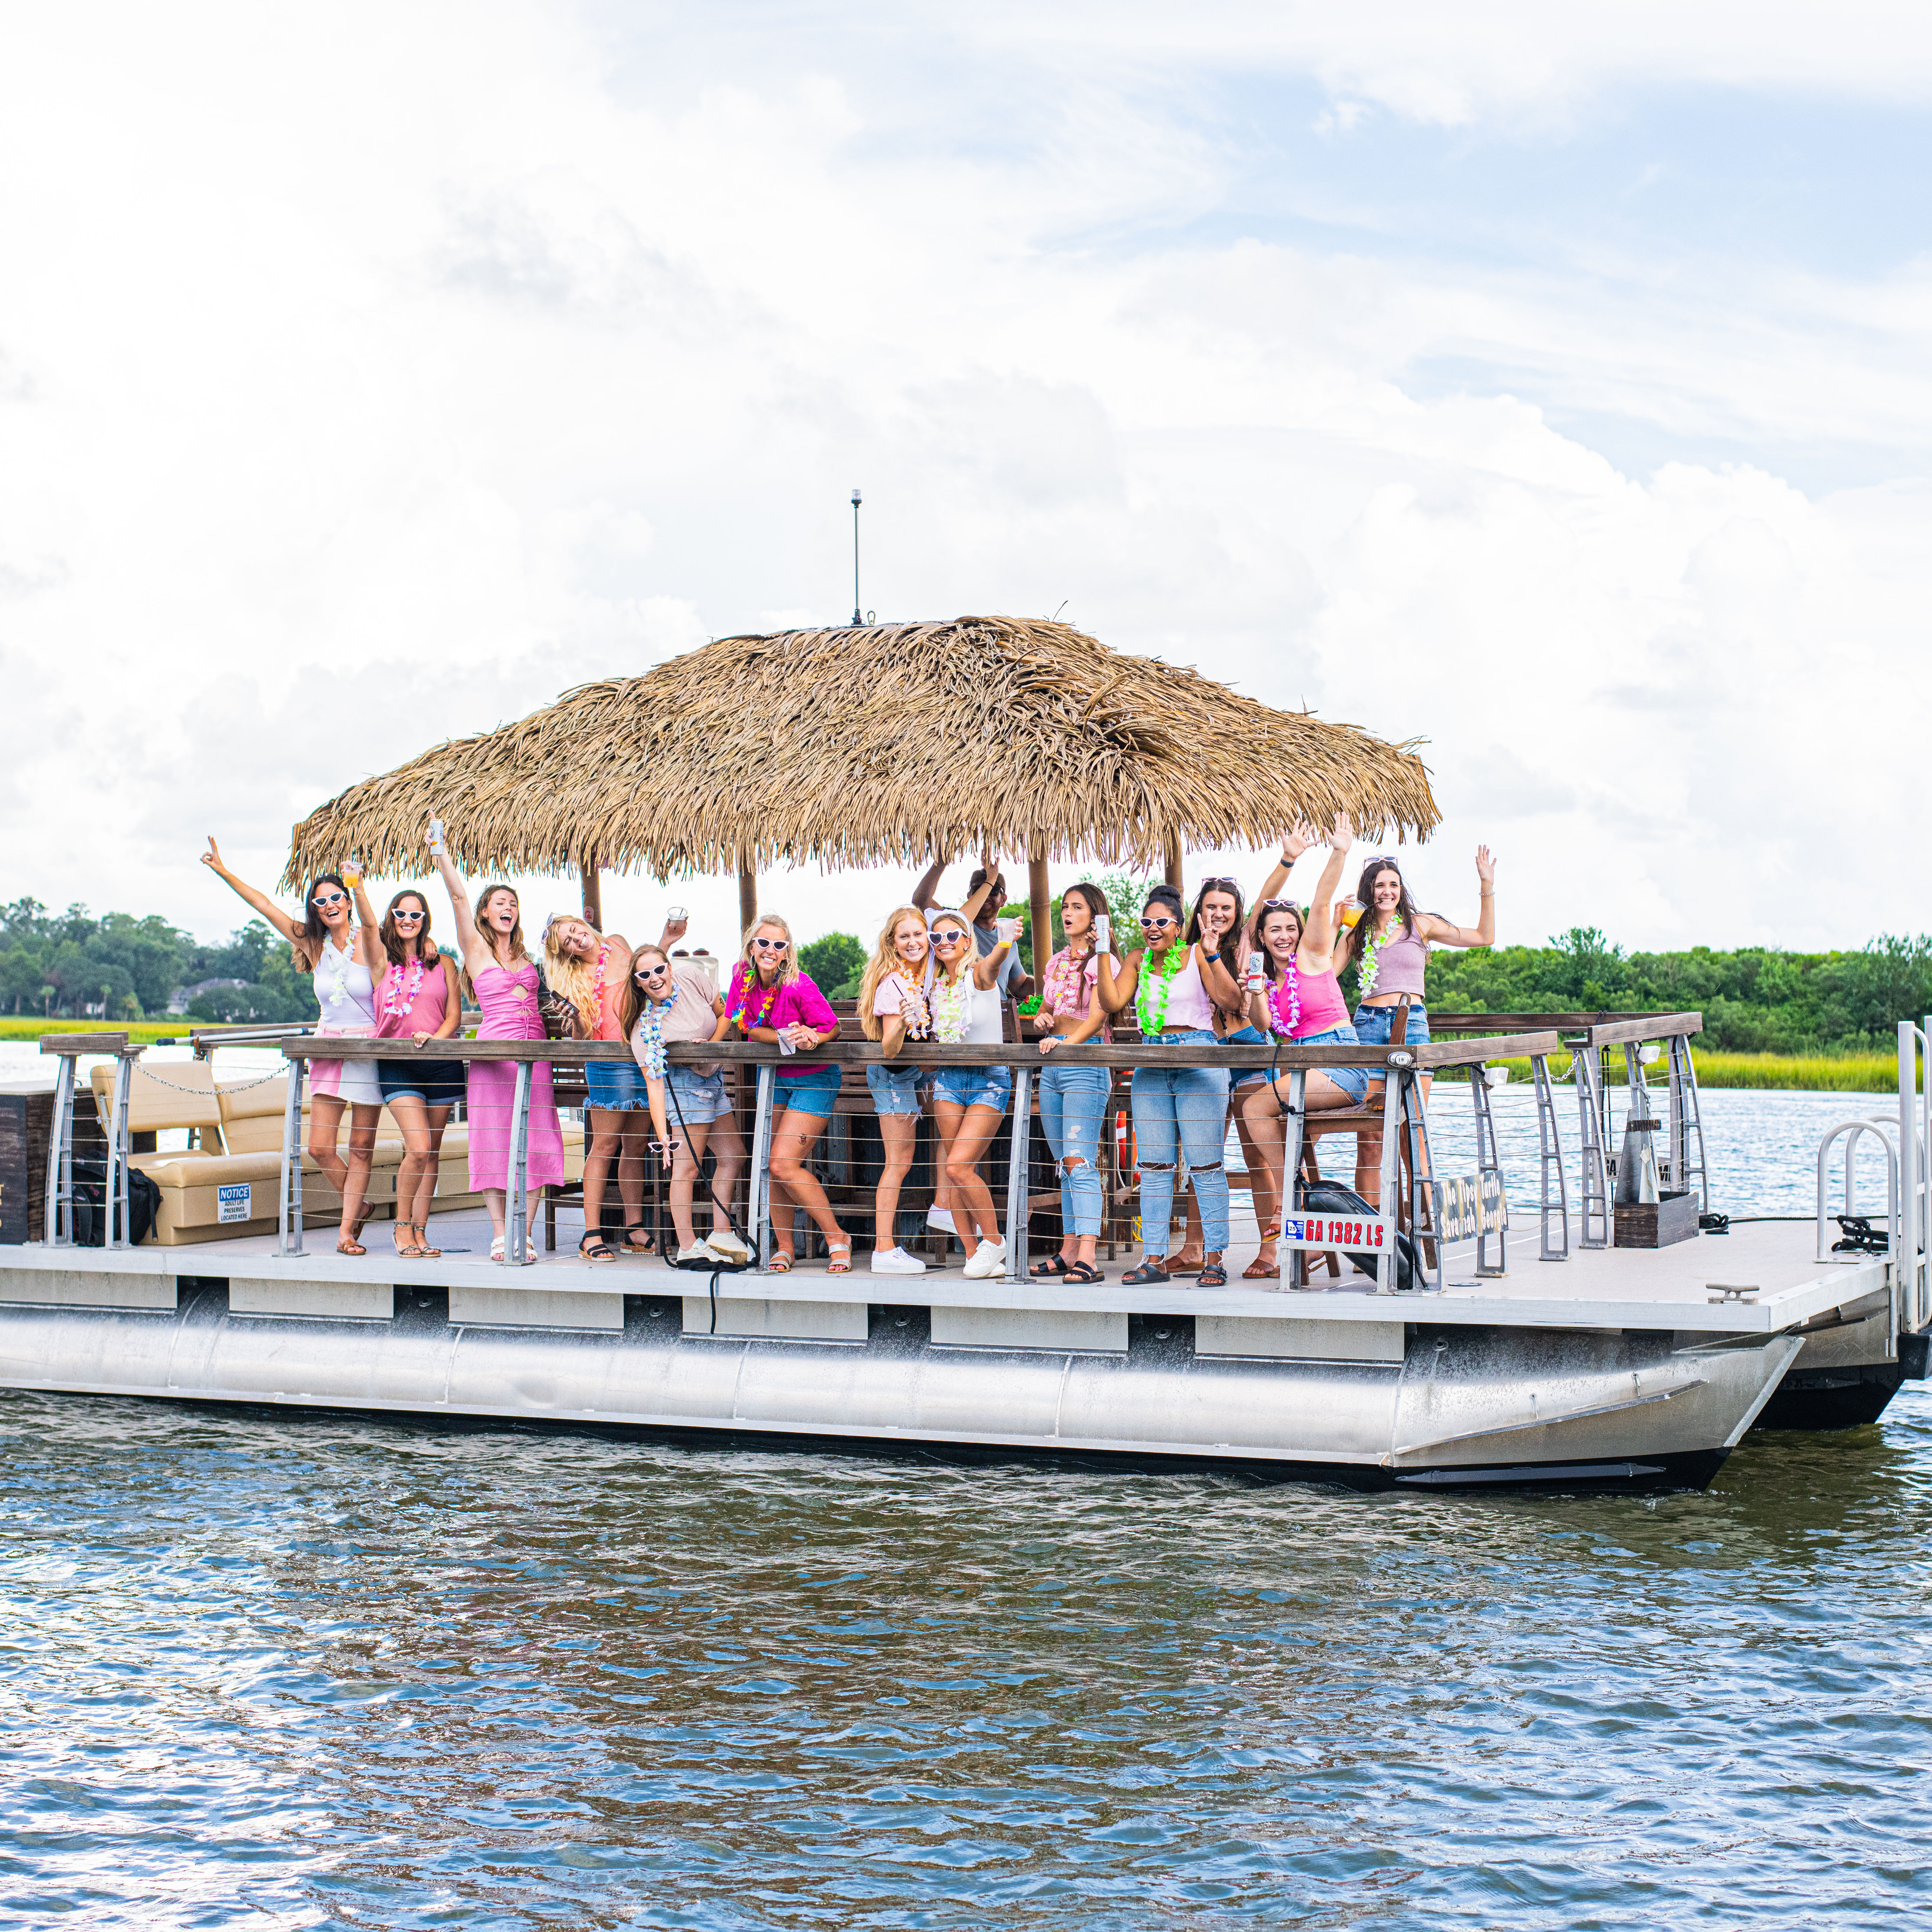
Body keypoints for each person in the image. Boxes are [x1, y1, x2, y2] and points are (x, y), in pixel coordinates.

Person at [201, 836, 384, 1255]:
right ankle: (360, 1205)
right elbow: (265, 906)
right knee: (320, 1146)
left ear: (348, 901)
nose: (330, 905)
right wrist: (224, 872)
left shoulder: (370, 941)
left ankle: (345, 1231)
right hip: (327, 1048)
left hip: (367, 1050)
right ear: (315, 910)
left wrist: (357, 884)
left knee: (360, 1147)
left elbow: (372, 925)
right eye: (321, 902)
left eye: (336, 897)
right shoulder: (313, 944)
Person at [1238, 814, 1371, 1273]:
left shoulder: (1314, 956)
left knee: (1256, 1108)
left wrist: (1338, 852)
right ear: (1263, 937)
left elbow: (1320, 902)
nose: (1283, 935)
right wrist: (1255, 990)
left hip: (1340, 1063)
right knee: (1256, 1108)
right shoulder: (1267, 984)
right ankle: (1300, 1217)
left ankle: (1288, 1202)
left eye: (1288, 928)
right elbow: (1261, 1025)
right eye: (1274, 930)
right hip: (1301, 1071)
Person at [1334, 842, 1499, 1201]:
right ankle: (1371, 1235)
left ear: (1401, 889)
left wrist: (1486, 885)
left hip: (1412, 1026)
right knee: (1371, 1136)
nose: (1387, 891)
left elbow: (1484, 938)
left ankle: (1423, 1223)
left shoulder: (1420, 924)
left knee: (1414, 1131)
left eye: (1393, 884)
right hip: (1368, 1026)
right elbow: (1327, 974)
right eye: (1379, 885)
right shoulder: (1355, 932)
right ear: (1368, 890)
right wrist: (1336, 926)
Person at [1098, 883, 1244, 1287]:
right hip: (1152, 1060)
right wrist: (1099, 953)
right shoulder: (1135, 960)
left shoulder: (1195, 954)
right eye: (1146, 922)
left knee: (1205, 1166)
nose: (1152, 927)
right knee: (1155, 1166)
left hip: (1197, 1055)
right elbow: (1111, 1004)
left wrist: (1212, 952)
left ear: (1178, 927)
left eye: (1161, 921)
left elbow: (1231, 1002)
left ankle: (1214, 1257)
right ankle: (1155, 1259)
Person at [427, 833, 564, 1261]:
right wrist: (441, 852)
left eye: (514, 903)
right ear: (487, 911)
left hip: (535, 1055)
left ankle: (524, 1232)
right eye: (500, 903)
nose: (509, 909)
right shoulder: (476, 950)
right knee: (492, 1140)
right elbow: (457, 898)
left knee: (538, 1139)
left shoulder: (531, 959)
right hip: (493, 1058)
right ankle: (501, 1232)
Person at [716, 914, 850, 1272]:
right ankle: (785, 1246)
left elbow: (833, 1028)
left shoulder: (797, 985)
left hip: (813, 1077)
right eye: (764, 943)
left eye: (779, 944)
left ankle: (838, 1237)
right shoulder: (741, 980)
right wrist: (781, 1036)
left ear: (788, 950)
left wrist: (810, 1035)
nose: (771, 950)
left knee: (781, 1163)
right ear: (751, 946)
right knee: (774, 1168)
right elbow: (744, 1025)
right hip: (773, 1075)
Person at [618, 943, 749, 1265]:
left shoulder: (693, 979)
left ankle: (720, 1233)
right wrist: (663, 1135)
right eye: (645, 974)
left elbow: (725, 1014)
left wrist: (711, 1049)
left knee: (733, 1155)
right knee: (687, 1168)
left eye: (659, 969)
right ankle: (688, 1245)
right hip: (685, 1087)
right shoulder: (644, 1028)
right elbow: (654, 1083)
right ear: (638, 982)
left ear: (669, 967)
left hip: (713, 1081)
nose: (655, 977)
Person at [542, 915, 654, 1261]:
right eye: (568, 942)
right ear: (566, 953)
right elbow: (582, 1039)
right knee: (605, 1145)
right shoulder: (574, 978)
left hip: (643, 1056)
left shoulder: (619, 943)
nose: (578, 939)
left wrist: (667, 939)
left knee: (635, 1147)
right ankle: (590, 1235)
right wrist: (575, 1018)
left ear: (583, 923)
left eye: (576, 930)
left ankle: (634, 1230)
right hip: (608, 1062)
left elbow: (648, 987)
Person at [925, 907, 1024, 1279]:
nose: (944, 943)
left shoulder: (978, 975)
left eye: (953, 936)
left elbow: (995, 964)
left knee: (958, 1166)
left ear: (967, 941)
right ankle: (974, 1254)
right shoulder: (933, 987)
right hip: (949, 1080)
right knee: (954, 1173)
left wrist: (1004, 942)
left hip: (987, 1080)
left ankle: (995, 1241)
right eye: (937, 938)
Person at [368, 885, 465, 1259]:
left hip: (440, 1060)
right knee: (419, 1147)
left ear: (426, 920)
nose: (408, 920)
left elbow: (454, 1015)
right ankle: (402, 1226)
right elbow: (364, 924)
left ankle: (422, 1232)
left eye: (416, 914)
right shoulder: (380, 959)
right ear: (391, 916)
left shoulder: (443, 963)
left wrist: (434, 1039)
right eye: (401, 913)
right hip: (398, 1063)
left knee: (433, 1152)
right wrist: (357, 887)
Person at [1030, 881, 1114, 1284]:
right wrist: (1042, 1021)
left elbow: (1097, 1016)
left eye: (1077, 907)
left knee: (1080, 1162)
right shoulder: (1057, 961)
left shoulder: (1102, 960)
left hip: (1084, 1060)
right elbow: (1045, 1011)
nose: (1067, 913)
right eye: (1064, 906)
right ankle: (1067, 1251)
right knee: (1064, 1164)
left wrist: (1066, 1045)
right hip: (1054, 1061)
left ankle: (1088, 1256)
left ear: (1094, 915)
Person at [856, 906, 935, 1276]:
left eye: (918, 934)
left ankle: (946, 1209)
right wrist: (903, 1021)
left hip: (917, 1074)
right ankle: (884, 1249)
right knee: (898, 1162)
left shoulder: (928, 975)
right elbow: (889, 1047)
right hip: (894, 1075)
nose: (913, 942)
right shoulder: (893, 984)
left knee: (953, 1135)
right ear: (893, 942)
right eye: (904, 936)